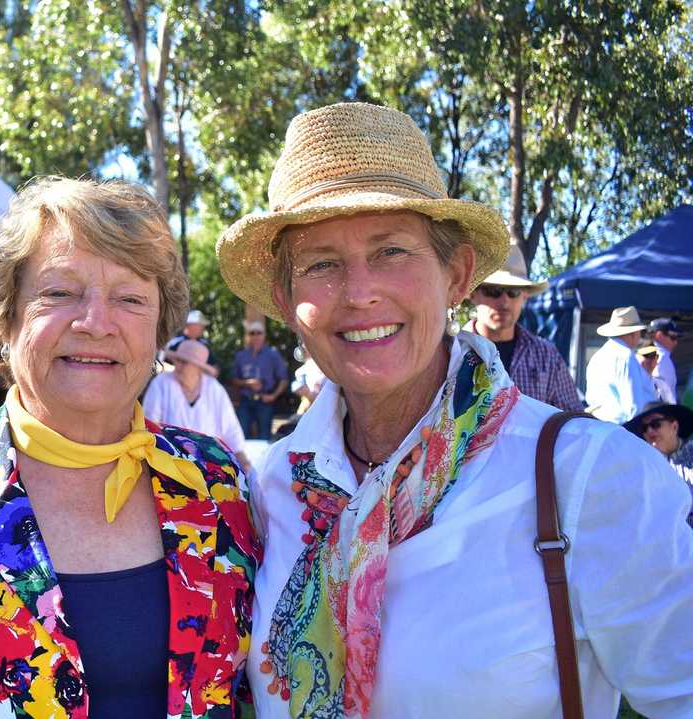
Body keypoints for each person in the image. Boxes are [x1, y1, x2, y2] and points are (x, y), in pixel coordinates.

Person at [217, 102, 693, 718]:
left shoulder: (590, 477)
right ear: (286, 299)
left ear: (457, 274)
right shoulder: (276, 487)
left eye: (391, 251)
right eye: (322, 264)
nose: (360, 292)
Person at [0, 177, 261, 718]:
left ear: (159, 333)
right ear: (5, 319)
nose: (95, 324)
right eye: (59, 293)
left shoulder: (215, 482)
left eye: (130, 299)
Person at [466, 242, 584, 411]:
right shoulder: (449, 353)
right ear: (472, 294)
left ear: (525, 296)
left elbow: (573, 419)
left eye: (513, 292)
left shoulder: (546, 356)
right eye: (493, 291)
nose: (504, 301)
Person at [143, 339, 249, 469]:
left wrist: (242, 458)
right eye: (177, 360)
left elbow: (231, 429)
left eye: (184, 362)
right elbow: (149, 424)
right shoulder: (162, 383)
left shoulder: (214, 388)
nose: (178, 365)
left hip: (211, 463)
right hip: (171, 462)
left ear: (198, 368)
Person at [586, 306, 658, 423]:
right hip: (621, 428)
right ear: (633, 334)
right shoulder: (626, 357)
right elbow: (634, 406)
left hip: (598, 425)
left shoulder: (597, 356)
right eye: (639, 332)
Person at [231, 320, 288, 440]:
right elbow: (233, 380)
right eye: (252, 333)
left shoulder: (273, 355)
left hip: (265, 401)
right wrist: (247, 383)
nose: (256, 336)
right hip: (245, 401)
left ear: (264, 335)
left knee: (264, 438)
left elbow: (284, 379)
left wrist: (273, 396)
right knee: (241, 437)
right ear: (248, 336)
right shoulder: (241, 356)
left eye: (259, 333)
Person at [649, 317, 682, 395]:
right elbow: (665, 397)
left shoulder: (638, 354)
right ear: (659, 336)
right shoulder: (662, 358)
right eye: (673, 337)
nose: (676, 342)